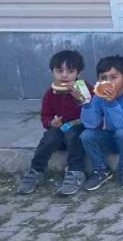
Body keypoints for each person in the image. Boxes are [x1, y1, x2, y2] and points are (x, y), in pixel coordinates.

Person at [17, 50, 90, 196]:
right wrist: (51, 123)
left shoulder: (84, 87)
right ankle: (36, 170)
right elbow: (45, 116)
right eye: (59, 71)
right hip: (60, 130)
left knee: (73, 134)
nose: (64, 75)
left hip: (79, 131)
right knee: (50, 136)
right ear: (52, 72)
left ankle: (76, 171)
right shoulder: (50, 93)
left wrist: (79, 98)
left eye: (70, 71)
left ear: (78, 73)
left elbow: (93, 111)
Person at [80, 55, 123, 190]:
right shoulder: (98, 97)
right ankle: (101, 170)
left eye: (113, 77)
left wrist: (111, 102)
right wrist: (86, 105)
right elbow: (90, 124)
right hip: (110, 137)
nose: (108, 82)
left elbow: (121, 123)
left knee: (122, 132)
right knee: (86, 135)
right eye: (103, 78)